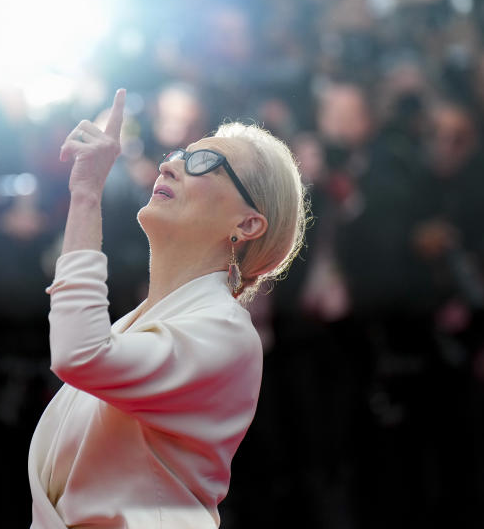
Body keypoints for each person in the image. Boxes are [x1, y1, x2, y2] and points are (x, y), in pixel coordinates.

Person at [28, 89, 307, 528]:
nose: (169, 164)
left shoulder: (227, 332)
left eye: (202, 162)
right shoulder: (143, 322)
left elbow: (78, 353)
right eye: (178, 153)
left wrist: (85, 195)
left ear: (247, 223)